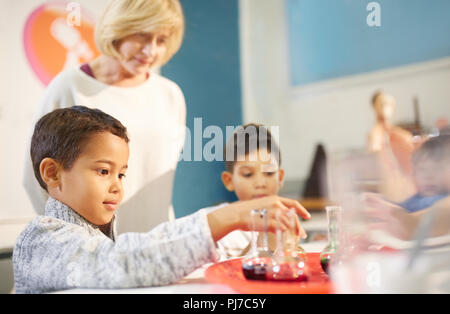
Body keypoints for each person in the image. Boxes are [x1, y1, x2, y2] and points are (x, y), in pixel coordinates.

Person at [13, 106, 311, 293]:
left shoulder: (94, 234)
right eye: (104, 171)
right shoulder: (41, 241)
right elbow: (121, 263)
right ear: (52, 173)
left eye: (121, 175)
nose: (117, 186)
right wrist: (231, 216)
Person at [24, 0, 187, 234]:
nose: (150, 51)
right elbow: (36, 180)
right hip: (91, 252)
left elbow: (160, 178)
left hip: (157, 244)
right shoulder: (69, 87)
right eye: (142, 36)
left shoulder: (170, 95)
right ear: (117, 29)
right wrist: (75, 242)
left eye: (161, 40)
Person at [210, 123, 307, 259]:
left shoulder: (284, 219)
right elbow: (223, 271)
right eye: (248, 174)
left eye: (269, 173)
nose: (260, 183)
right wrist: (264, 245)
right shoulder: (218, 224)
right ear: (229, 181)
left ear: (280, 177)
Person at [364, 135, 450, 240]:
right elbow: (396, 210)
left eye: (437, 169)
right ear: (413, 175)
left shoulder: (444, 200)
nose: (429, 176)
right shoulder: (414, 200)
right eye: (422, 170)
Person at [367, 90, 414, 175]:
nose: (387, 107)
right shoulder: (376, 134)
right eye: (382, 104)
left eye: (390, 104)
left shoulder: (399, 133)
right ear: (375, 107)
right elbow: (375, 155)